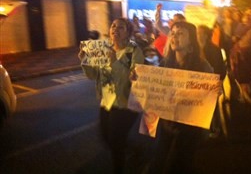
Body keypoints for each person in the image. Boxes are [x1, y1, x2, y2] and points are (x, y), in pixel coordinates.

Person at [78, 18, 145, 173]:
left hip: (126, 104)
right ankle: (135, 148)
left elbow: (134, 78)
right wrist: (85, 61)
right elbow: (93, 75)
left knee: (115, 143)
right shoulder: (104, 48)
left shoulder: (134, 51)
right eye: (113, 26)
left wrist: (115, 62)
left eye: (121, 27)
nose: (115, 29)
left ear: (128, 32)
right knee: (106, 138)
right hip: (107, 102)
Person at [150, 21, 213, 173]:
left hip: (189, 131)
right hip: (167, 126)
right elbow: (155, 90)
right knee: (161, 164)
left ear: (191, 40)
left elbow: (207, 100)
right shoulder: (165, 64)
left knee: (180, 165)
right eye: (172, 33)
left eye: (180, 34)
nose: (174, 37)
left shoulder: (203, 67)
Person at [197, 25, 227, 137]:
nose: (198, 35)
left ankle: (216, 129)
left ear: (206, 35)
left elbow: (220, 67)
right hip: (198, 83)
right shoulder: (194, 49)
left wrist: (218, 81)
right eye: (197, 33)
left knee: (213, 108)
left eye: (200, 33)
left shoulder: (214, 49)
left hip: (211, 82)